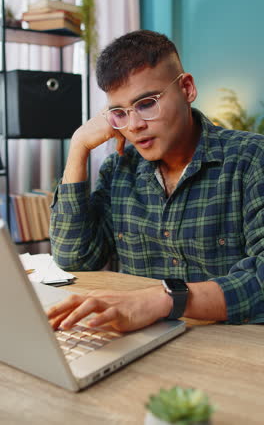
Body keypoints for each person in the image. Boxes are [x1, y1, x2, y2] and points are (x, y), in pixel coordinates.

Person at [48, 30, 264, 332]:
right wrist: (78, 148)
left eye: (147, 103)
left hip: (230, 350)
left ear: (187, 88)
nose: (134, 125)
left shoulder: (252, 158)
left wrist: (165, 299)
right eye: (119, 113)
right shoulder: (118, 170)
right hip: (141, 343)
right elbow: (76, 259)